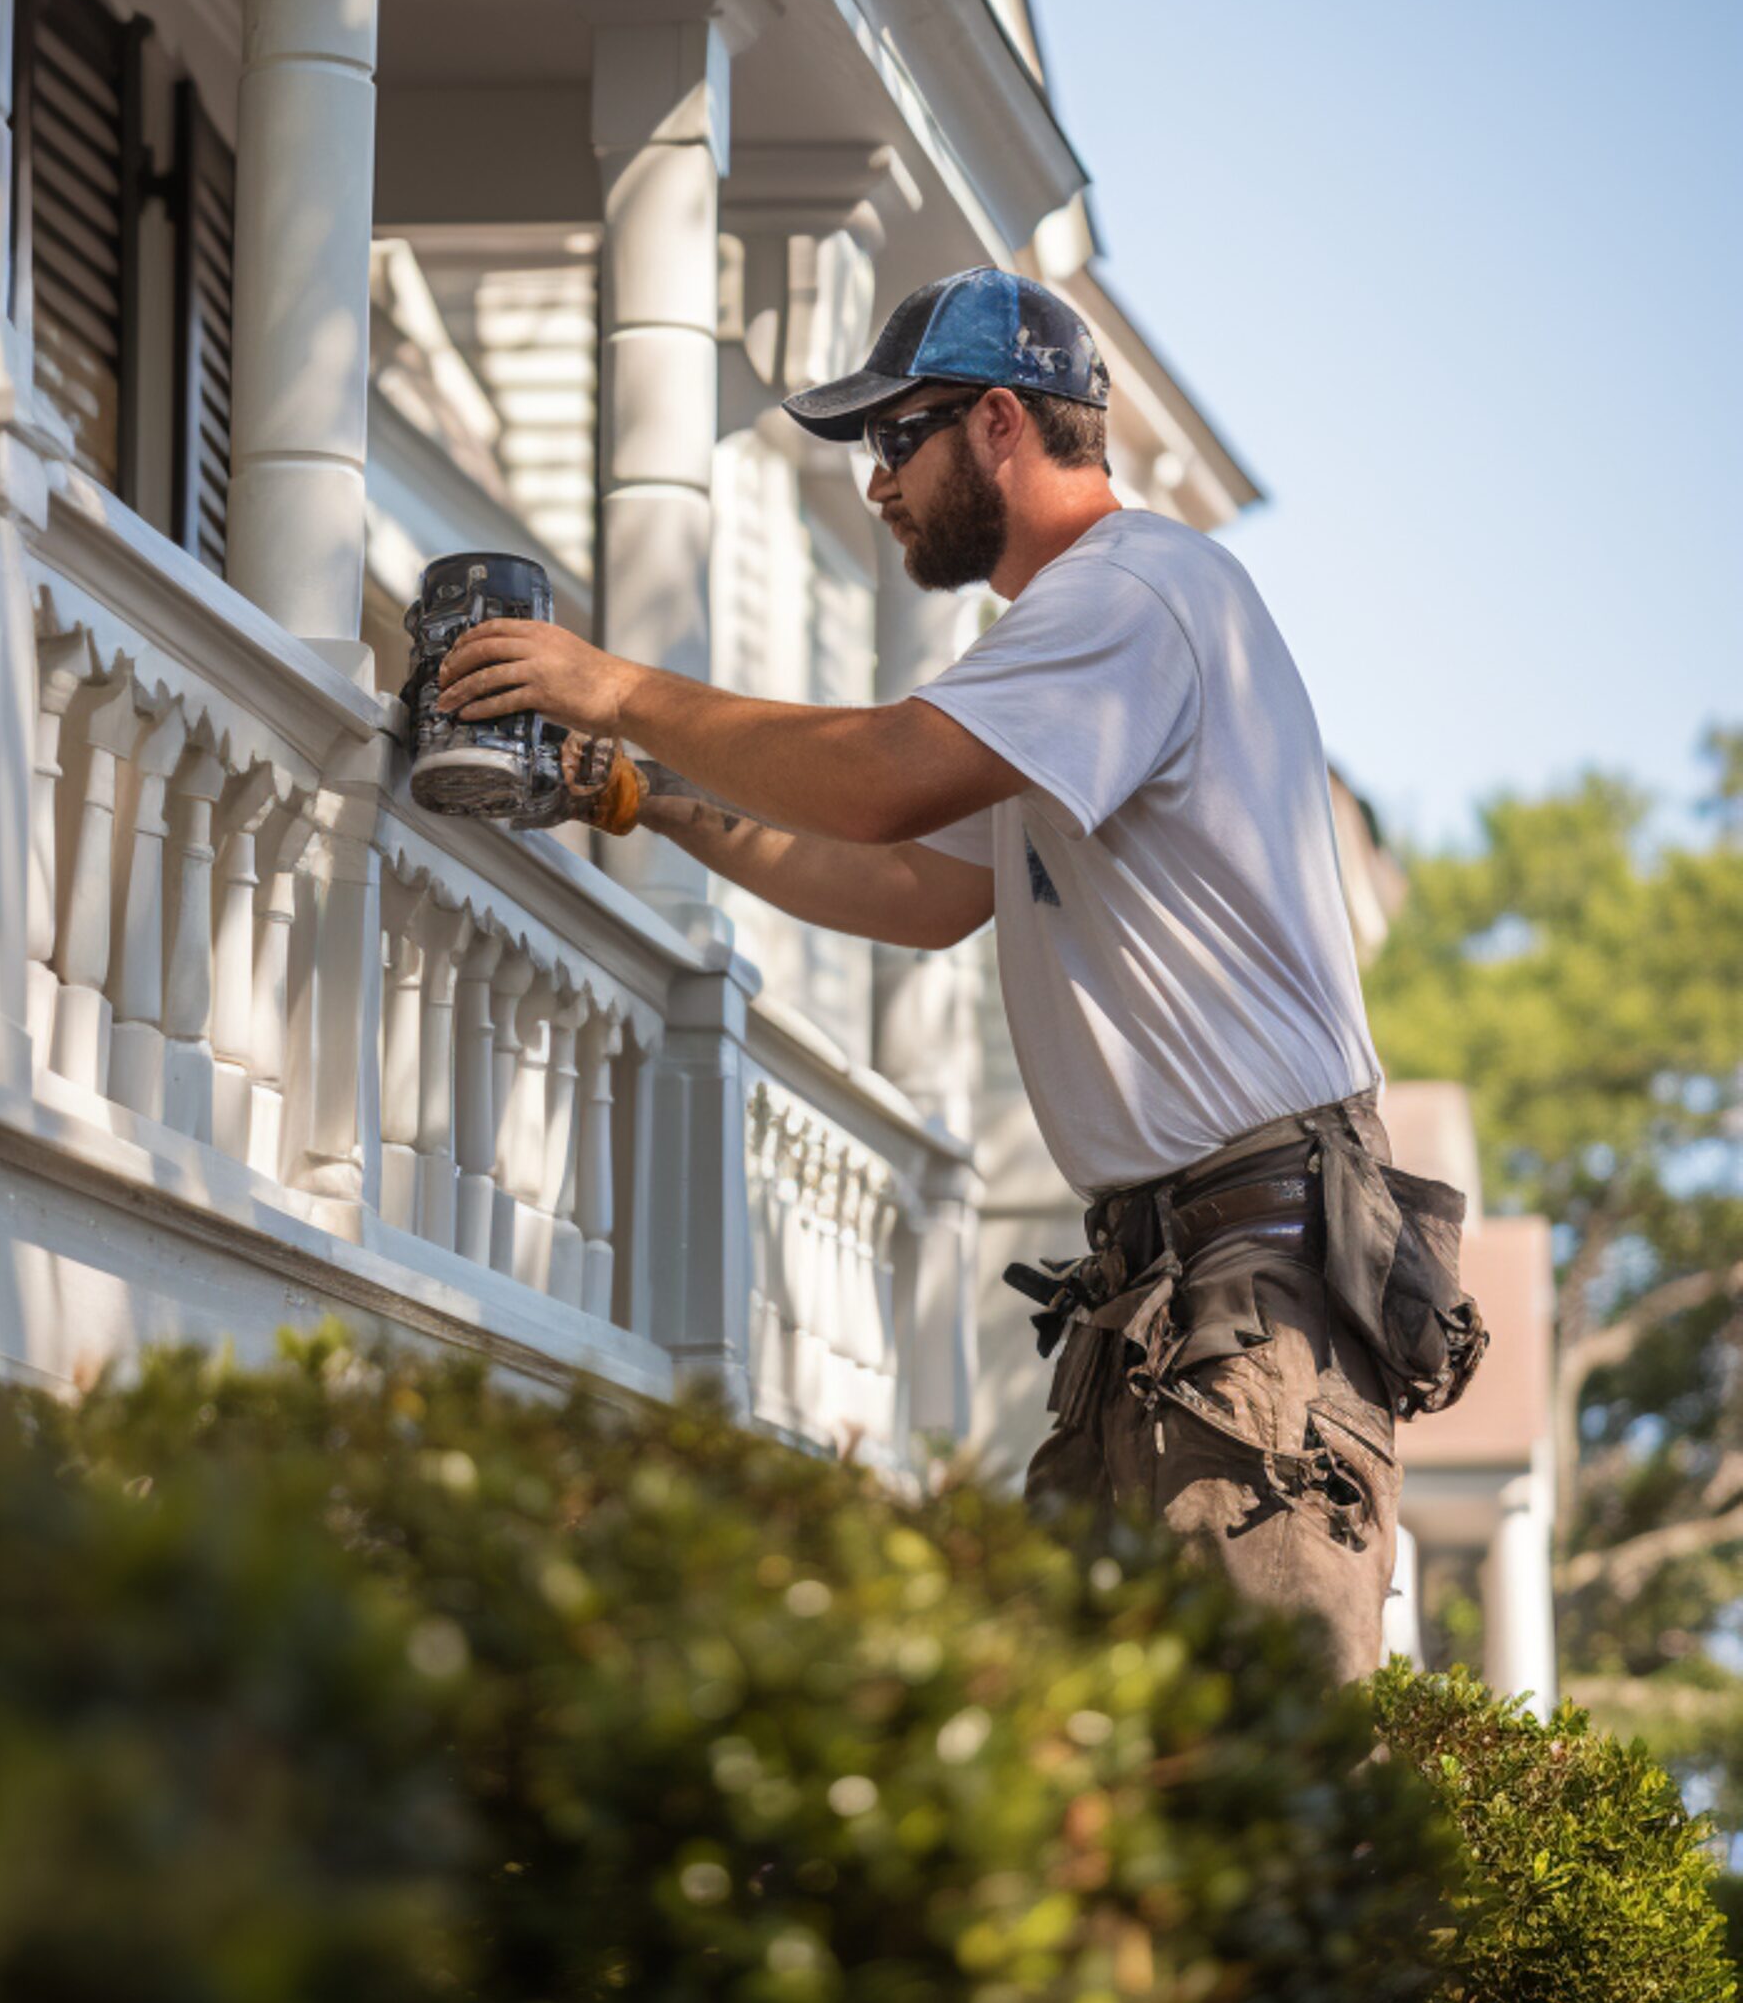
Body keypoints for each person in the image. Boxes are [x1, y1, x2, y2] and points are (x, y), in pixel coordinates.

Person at [435, 266, 1480, 1683]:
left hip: (1256, 1287)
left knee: (1256, 1768)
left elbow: (879, 785)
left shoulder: (1134, 596)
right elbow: (920, 892)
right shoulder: (1065, 653)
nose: (876, 485)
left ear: (999, 423)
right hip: (1173, 1291)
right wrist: (646, 802)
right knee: (1098, 1768)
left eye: (893, 440)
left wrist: (612, 685)